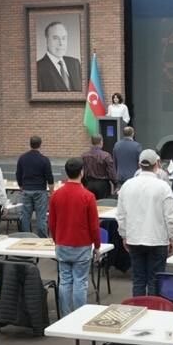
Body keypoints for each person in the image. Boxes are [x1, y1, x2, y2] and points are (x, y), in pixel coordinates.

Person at [116, 149, 173, 297]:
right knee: (155, 281)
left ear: (139, 165)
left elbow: (121, 215)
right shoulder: (163, 187)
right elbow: (170, 216)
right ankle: (154, 308)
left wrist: (124, 235)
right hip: (158, 239)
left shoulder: (127, 185)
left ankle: (137, 307)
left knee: (138, 280)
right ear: (157, 164)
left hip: (134, 238)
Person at [49, 158, 100, 317]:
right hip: (82, 244)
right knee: (80, 281)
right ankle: (79, 316)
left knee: (65, 280)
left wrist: (56, 239)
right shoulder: (88, 196)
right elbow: (94, 225)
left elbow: (52, 222)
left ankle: (66, 315)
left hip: (62, 242)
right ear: (82, 172)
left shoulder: (56, 195)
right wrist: (97, 245)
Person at [15, 136, 54, 238]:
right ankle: (42, 239)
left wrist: (21, 186)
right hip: (40, 191)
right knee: (41, 217)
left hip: (26, 190)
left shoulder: (22, 158)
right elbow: (49, 177)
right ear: (40, 145)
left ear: (30, 144)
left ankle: (26, 238)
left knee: (25, 216)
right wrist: (51, 192)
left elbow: (18, 174)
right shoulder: (44, 160)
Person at [36, 21, 82, 91]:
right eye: (55, 38)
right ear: (47, 40)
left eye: (63, 38)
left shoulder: (75, 63)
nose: (61, 43)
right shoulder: (38, 69)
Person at [81, 134, 117, 200]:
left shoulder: (84, 156)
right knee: (103, 204)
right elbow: (111, 172)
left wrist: (84, 183)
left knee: (90, 203)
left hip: (89, 183)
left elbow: (82, 171)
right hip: (103, 185)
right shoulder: (106, 155)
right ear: (101, 142)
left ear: (91, 142)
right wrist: (115, 184)